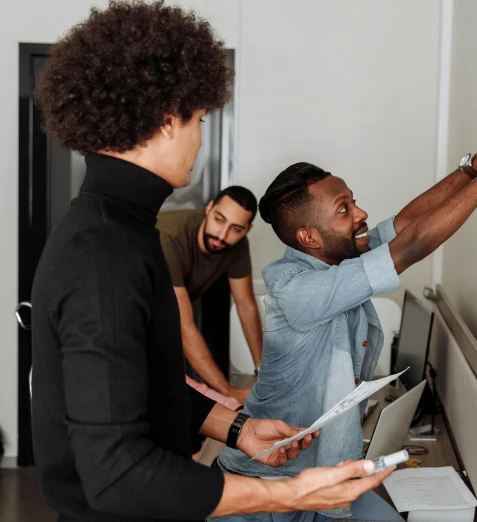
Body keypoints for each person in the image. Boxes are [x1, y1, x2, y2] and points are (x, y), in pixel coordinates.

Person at [30, 3, 393, 521]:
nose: (201, 138)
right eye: (199, 119)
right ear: (166, 117)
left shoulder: (120, 228)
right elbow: (118, 476)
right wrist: (290, 493)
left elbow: (139, 384)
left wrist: (237, 427)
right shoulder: (104, 254)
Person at [213, 117, 477, 521]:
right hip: (264, 491)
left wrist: (476, 164)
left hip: (327, 479)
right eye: (344, 209)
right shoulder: (296, 289)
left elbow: (404, 226)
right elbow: (413, 244)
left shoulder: (339, 256)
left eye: (352, 201)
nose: (361, 213)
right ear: (309, 238)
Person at [158, 185, 263, 405]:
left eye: (236, 229)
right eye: (219, 219)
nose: (222, 235)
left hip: (168, 316)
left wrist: (262, 371)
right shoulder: (170, 239)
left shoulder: (238, 246)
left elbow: (246, 305)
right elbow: (184, 328)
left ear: (247, 230)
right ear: (209, 208)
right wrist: (228, 391)